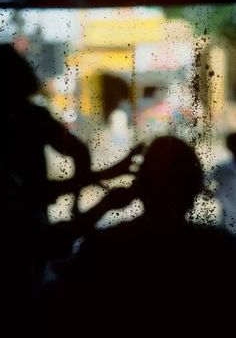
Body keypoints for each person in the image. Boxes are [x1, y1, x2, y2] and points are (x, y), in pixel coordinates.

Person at [0, 43, 141, 336]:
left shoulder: (29, 118)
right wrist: (85, 199)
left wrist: (88, 192)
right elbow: (76, 154)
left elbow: (38, 191)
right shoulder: (33, 117)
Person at [46, 136, 236, 337]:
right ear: (195, 189)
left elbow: (59, 294)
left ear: (140, 187)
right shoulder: (219, 250)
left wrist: (102, 208)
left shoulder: (107, 248)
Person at [210, 132, 236, 234]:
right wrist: (217, 194)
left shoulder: (223, 168)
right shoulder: (223, 169)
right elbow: (203, 182)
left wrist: (216, 194)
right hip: (228, 222)